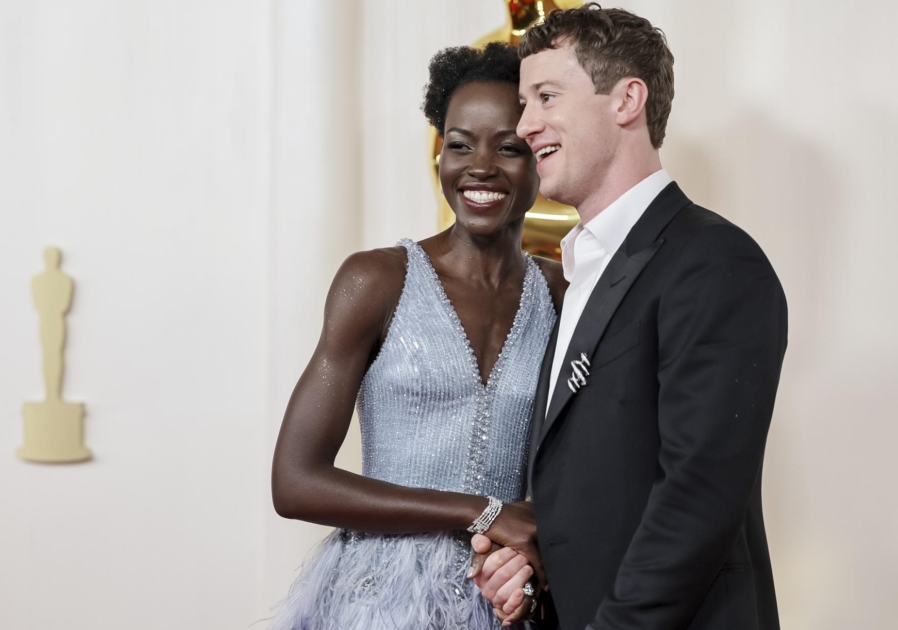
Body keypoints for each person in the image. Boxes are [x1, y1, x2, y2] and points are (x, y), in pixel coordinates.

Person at [470, 5, 788, 630]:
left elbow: (697, 496)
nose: (525, 124)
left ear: (626, 101)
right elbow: (596, 482)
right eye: (524, 102)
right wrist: (535, 576)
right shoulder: (575, 271)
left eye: (546, 96)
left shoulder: (713, 262)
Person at [269, 42, 568, 629]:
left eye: (509, 147)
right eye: (459, 145)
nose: (480, 166)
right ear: (439, 156)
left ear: (540, 157)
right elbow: (295, 481)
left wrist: (532, 565)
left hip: (501, 599)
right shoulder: (377, 279)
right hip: (378, 600)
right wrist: (482, 512)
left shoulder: (564, 294)